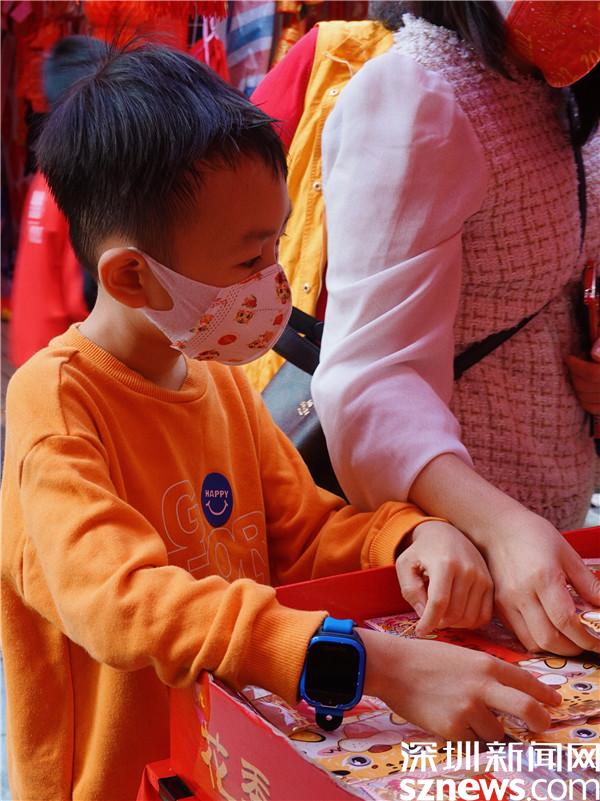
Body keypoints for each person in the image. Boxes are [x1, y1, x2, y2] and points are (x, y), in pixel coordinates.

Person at [0, 40, 563, 801]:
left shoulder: (219, 381)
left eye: (278, 243)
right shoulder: (57, 400)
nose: (274, 280)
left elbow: (302, 535)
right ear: (132, 275)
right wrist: (369, 661)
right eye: (248, 261)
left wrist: (408, 537)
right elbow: (117, 599)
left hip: (224, 763)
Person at [250, 0, 600, 657]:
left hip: (553, 525)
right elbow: (371, 380)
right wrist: (498, 525)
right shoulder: (419, 99)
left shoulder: (561, 86)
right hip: (453, 552)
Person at [8, 35, 105, 367]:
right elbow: (81, 294)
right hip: (62, 359)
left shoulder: (49, 169)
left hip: (31, 346)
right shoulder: (83, 179)